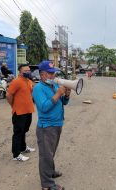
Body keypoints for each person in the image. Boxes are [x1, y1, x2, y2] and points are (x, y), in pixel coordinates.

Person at [32, 60, 71, 190]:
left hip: (56, 124)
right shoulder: (38, 88)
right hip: (46, 127)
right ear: (42, 74)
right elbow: (43, 107)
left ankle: (50, 172)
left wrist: (66, 95)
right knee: (46, 156)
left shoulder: (52, 86)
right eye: (50, 73)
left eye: (53, 73)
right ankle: (47, 185)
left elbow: (63, 103)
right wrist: (58, 93)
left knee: (51, 153)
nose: (53, 76)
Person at [6, 64, 35, 162]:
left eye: (29, 70)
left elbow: (32, 92)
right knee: (18, 133)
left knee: (24, 130)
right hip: (19, 112)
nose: (28, 72)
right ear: (20, 72)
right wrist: (13, 106)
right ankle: (16, 154)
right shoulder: (16, 81)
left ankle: (23, 148)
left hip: (28, 110)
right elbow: (9, 95)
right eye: (25, 70)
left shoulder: (29, 81)